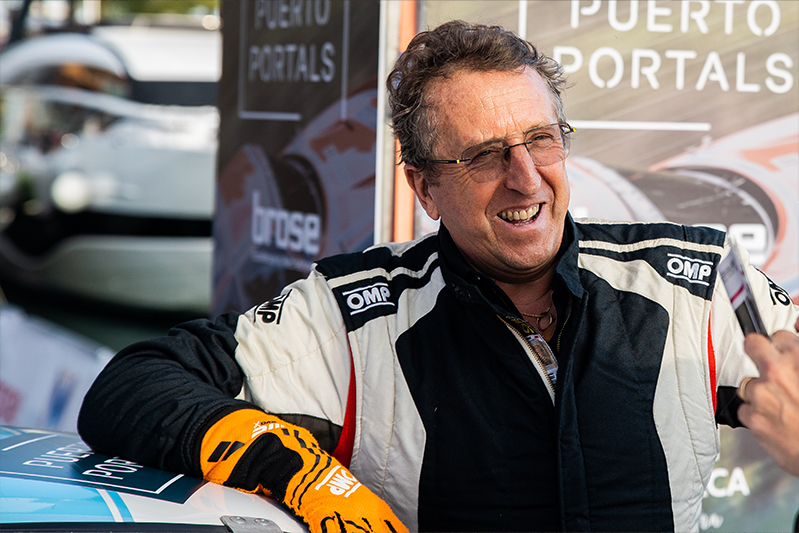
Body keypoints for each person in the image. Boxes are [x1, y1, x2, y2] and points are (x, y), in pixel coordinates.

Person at [78, 20, 799, 533]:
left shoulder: (689, 280)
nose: (526, 179)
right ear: (424, 188)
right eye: (484, 155)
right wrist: (303, 474)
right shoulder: (355, 313)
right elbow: (132, 386)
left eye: (541, 140)